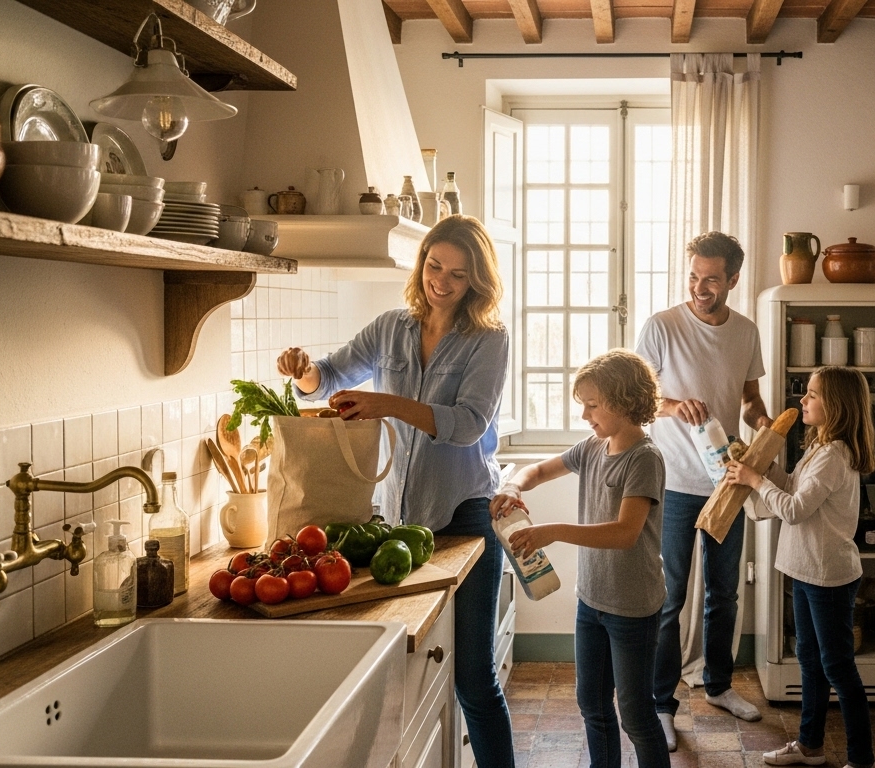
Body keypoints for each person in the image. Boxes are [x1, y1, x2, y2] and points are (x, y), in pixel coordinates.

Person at [275, 215, 514, 766]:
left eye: (458, 274)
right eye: (435, 266)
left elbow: (469, 423)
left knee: (474, 679)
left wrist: (386, 404)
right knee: (400, 664)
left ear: (476, 280)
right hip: (398, 522)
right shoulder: (389, 327)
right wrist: (304, 370)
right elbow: (331, 376)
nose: (442, 281)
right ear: (422, 260)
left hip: (466, 518)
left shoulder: (488, 339)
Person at [492, 349, 670, 768]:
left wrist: (551, 532)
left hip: (633, 608)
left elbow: (625, 533)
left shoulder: (644, 459)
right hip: (591, 601)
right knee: (591, 703)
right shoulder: (593, 447)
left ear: (625, 401)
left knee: (637, 715)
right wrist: (515, 487)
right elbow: (535, 470)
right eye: (583, 405)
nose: (586, 415)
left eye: (593, 405)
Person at [636, 231, 772, 748]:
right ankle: (660, 705)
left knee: (724, 592)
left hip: (728, 481)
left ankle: (718, 685)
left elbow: (749, 400)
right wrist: (674, 406)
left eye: (711, 279)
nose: (699, 287)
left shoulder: (746, 333)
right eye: (693, 276)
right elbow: (638, 400)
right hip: (671, 482)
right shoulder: (662, 327)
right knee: (668, 597)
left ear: (733, 279)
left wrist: (768, 427)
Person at [725, 366, 875, 768]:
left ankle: (863, 760)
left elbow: (792, 510)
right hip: (807, 570)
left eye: (812, 395)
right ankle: (810, 747)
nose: (802, 400)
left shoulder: (834, 455)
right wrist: (760, 465)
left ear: (837, 405)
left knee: (839, 670)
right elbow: (792, 486)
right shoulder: (818, 446)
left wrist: (756, 481)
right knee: (810, 662)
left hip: (828, 576)